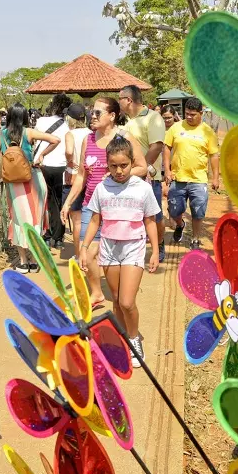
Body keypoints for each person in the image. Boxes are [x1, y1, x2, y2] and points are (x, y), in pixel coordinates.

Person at [61, 97, 148, 309]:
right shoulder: (88, 140)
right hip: (92, 207)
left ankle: (123, 289)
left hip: (119, 209)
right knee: (86, 252)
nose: (93, 115)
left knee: (117, 255)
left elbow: (142, 167)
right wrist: (68, 202)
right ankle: (97, 292)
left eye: (98, 112)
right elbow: (82, 175)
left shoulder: (124, 138)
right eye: (92, 111)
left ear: (112, 116)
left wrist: (114, 175)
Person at [80, 136, 159, 367]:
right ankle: (122, 341)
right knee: (115, 299)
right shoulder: (102, 188)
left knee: (126, 302)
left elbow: (150, 221)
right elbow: (95, 220)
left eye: (124, 165)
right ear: (107, 164)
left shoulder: (143, 188)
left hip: (134, 247)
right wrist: (84, 248)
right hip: (109, 248)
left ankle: (134, 340)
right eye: (113, 166)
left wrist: (154, 251)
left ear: (132, 162)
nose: (119, 170)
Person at [0, 103, 61, 272]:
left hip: (13, 184)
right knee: (35, 220)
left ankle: (23, 262)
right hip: (33, 179)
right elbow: (56, 140)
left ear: (8, 116)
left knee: (18, 220)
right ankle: (34, 260)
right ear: (25, 117)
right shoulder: (29, 132)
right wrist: (41, 156)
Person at [163, 97, 220, 251]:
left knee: (198, 211)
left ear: (201, 113)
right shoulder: (176, 128)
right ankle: (180, 224)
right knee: (174, 210)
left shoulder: (208, 132)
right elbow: (167, 147)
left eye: (192, 114)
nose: (189, 117)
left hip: (199, 179)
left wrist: (215, 177)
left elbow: (213, 155)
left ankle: (195, 239)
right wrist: (167, 170)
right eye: (187, 113)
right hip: (178, 178)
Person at [119, 85, 168, 263]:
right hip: (128, 177)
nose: (119, 102)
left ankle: (159, 244)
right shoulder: (127, 121)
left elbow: (156, 146)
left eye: (120, 99)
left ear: (129, 100)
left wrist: (142, 168)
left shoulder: (153, 118)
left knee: (155, 216)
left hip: (148, 178)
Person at [34, 94, 72, 248]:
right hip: (61, 165)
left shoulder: (41, 121)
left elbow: (35, 139)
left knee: (46, 201)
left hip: (43, 164)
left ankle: (47, 233)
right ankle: (58, 236)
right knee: (60, 201)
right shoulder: (68, 124)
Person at [62, 103, 92, 262]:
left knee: (77, 220)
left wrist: (69, 162)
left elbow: (68, 151)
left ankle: (79, 253)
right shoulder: (91, 133)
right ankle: (88, 251)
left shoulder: (70, 134)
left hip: (73, 177)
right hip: (89, 178)